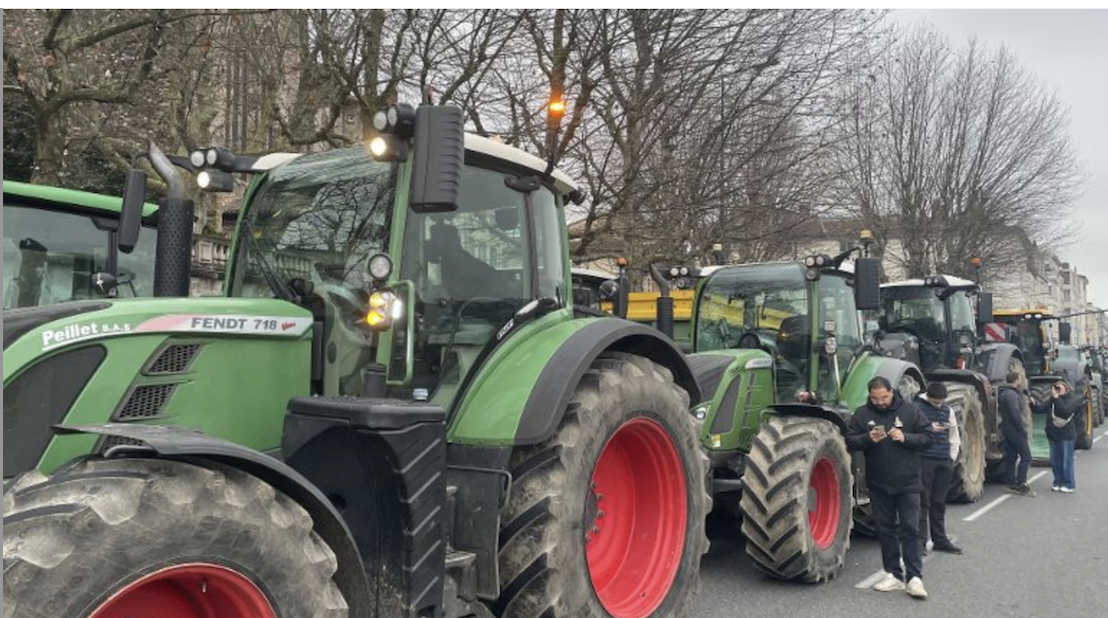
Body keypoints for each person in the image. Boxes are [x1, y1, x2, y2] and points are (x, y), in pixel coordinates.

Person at [846, 376, 934, 599]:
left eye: (884, 397)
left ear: (892, 392)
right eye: (875, 398)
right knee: (885, 530)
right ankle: (893, 574)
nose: (880, 402)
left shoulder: (910, 410)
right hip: (878, 484)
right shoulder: (862, 414)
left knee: (910, 529)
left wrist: (906, 437)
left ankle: (915, 578)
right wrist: (868, 438)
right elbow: (849, 440)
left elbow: (928, 438)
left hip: (909, 482)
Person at [915, 382, 963, 555]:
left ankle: (939, 540)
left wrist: (951, 458)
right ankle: (920, 543)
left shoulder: (947, 410)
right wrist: (929, 428)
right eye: (935, 402)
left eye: (941, 402)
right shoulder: (916, 408)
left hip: (943, 461)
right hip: (924, 460)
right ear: (927, 396)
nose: (939, 405)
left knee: (939, 502)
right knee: (922, 502)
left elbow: (954, 435)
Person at [1032, 379, 1079, 493]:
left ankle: (1069, 483)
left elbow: (1064, 411)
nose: (1057, 390)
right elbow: (1040, 409)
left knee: (1066, 461)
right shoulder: (1052, 400)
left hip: (1066, 435)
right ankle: (1058, 482)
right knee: (1055, 461)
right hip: (1053, 435)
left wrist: (1057, 398)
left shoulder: (1071, 400)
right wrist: (1032, 404)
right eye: (1055, 388)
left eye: (1059, 388)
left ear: (1066, 389)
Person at [997, 371, 1035, 496]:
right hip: (1015, 430)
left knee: (1011, 457)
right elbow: (1015, 413)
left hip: (1007, 429)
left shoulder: (1003, 393)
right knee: (1026, 456)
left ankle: (1011, 483)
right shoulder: (1012, 394)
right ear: (1017, 380)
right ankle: (1022, 483)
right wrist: (1022, 428)